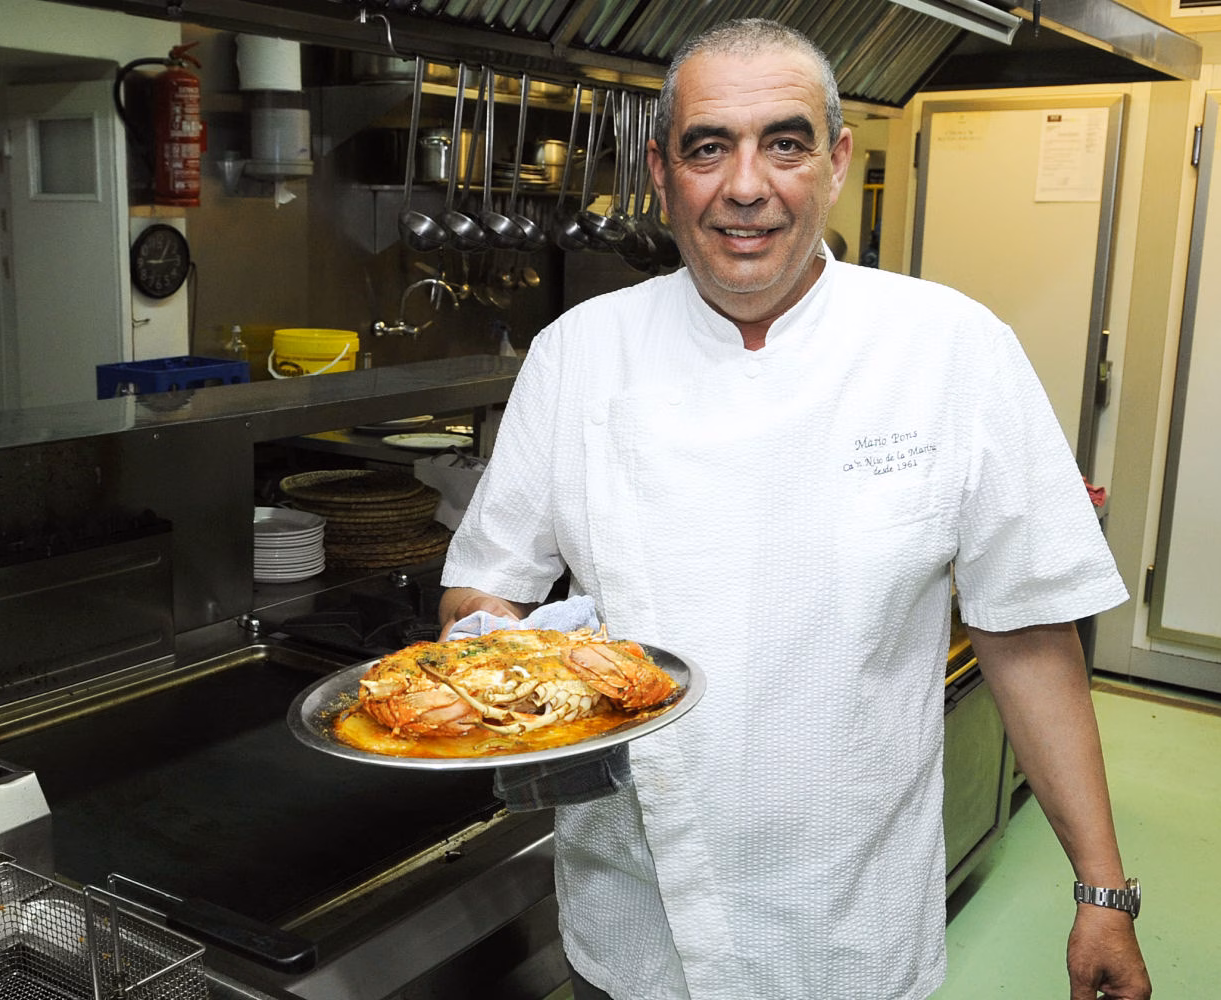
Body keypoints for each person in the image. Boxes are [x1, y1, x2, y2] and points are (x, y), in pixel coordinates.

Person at [440, 17, 1150, 1000]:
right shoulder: (579, 354)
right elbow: (486, 586)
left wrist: (1101, 890)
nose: (745, 185)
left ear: (835, 160)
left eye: (784, 142)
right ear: (661, 172)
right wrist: (501, 672)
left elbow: (1025, 629)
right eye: (706, 147)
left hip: (846, 923)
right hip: (635, 914)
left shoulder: (948, 348)